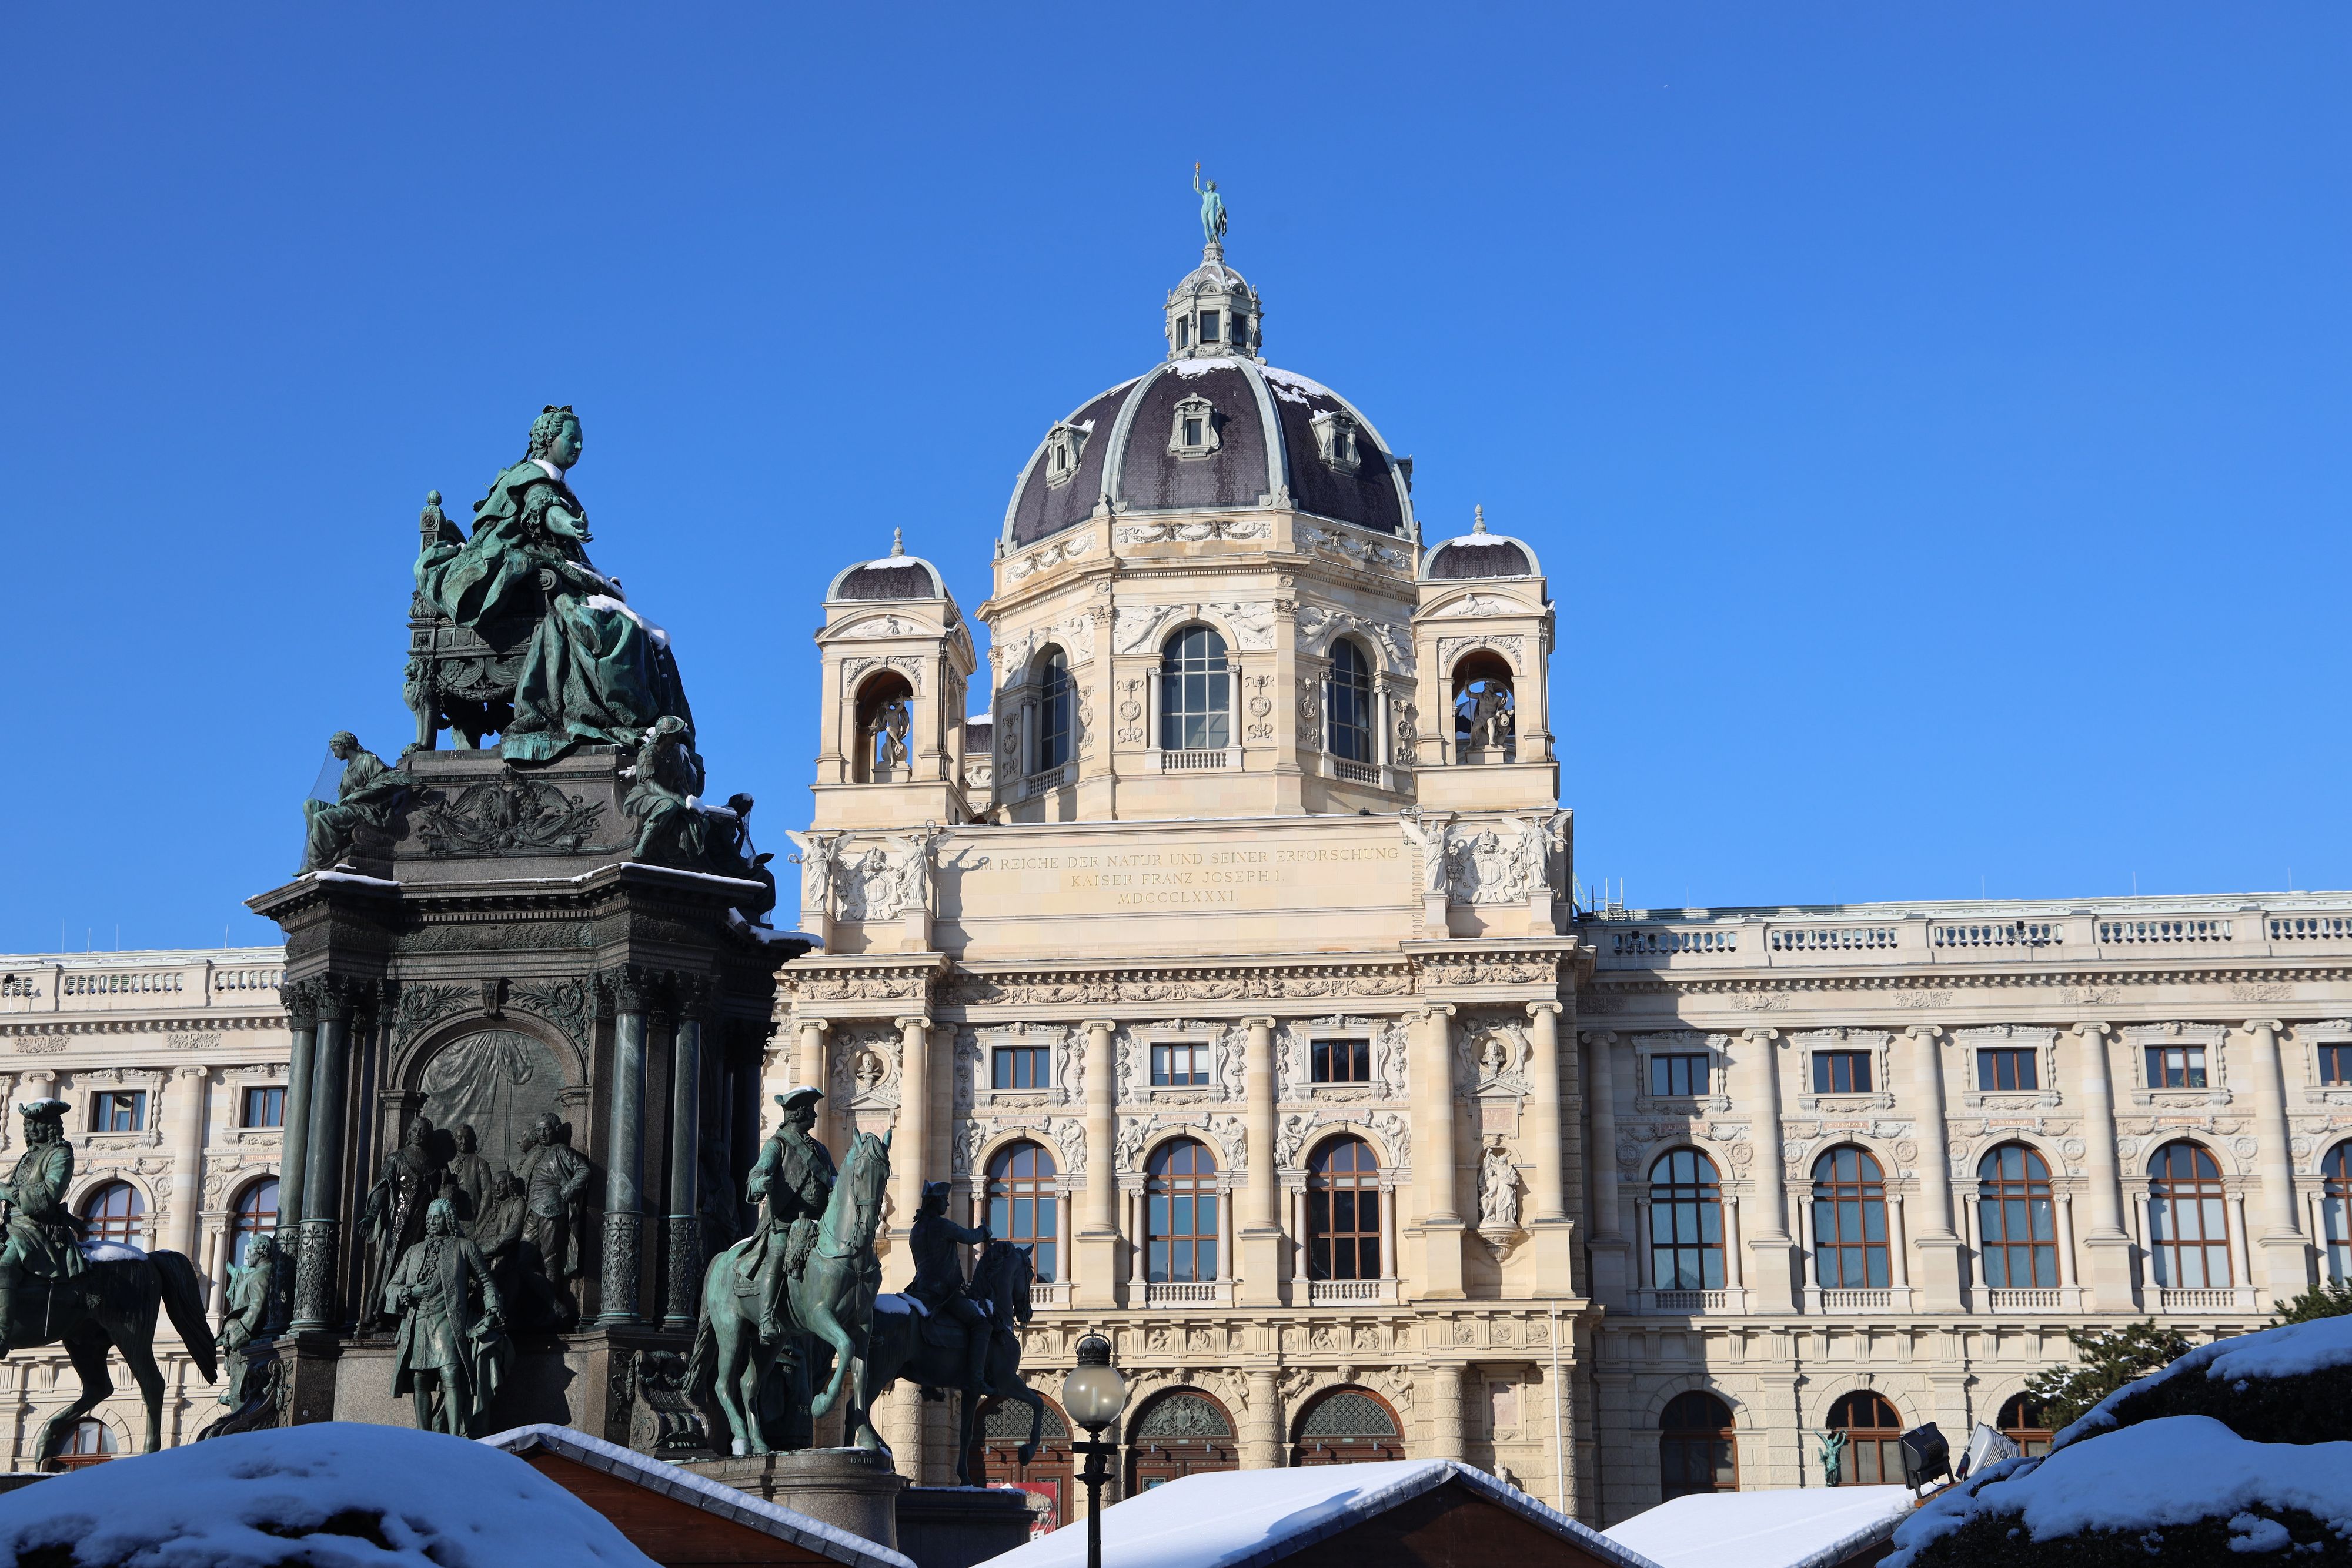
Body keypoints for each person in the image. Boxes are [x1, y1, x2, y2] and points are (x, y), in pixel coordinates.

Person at [415, 406, 697, 765]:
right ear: (548, 440)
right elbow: (542, 511)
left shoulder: (549, 481)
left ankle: (648, 724)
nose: (579, 445)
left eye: (582, 439)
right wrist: (569, 524)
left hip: (549, 579)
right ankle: (613, 715)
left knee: (643, 637)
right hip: (527, 590)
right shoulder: (535, 480)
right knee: (616, 630)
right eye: (572, 438)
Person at [385, 1198, 509, 1436]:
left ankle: (453, 1437)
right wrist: (407, 1292)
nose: (431, 1223)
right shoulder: (414, 1251)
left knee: (450, 1373)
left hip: (448, 1320)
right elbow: (392, 1287)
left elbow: (485, 1281)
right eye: (429, 1218)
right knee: (420, 1379)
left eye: (437, 1218)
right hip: (419, 1321)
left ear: (448, 1219)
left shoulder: (464, 1247)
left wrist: (493, 1310)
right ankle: (424, 1436)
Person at [744, 1088, 836, 1345]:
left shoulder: (820, 1150)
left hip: (819, 1224)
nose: (816, 1115)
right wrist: (760, 1184)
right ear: (799, 1114)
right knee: (779, 1252)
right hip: (785, 1222)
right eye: (811, 1111)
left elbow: (834, 1179)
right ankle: (766, 1319)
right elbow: (757, 1173)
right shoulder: (778, 1144)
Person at [0, 1100, 84, 1353]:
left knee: (4, 1266)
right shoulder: (28, 1157)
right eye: (29, 1124)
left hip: (36, 1228)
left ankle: (2, 1335)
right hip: (12, 1223)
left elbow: (48, 1194)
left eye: (39, 1123)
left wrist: (7, 1191)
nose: (32, 1128)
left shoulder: (61, 1154)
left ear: (51, 1127)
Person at [907, 1181, 994, 1397]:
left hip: (918, 1289)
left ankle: (928, 1384)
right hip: (942, 1292)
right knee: (981, 1323)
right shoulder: (942, 1225)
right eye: (944, 1200)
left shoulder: (916, 1229)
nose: (947, 1204)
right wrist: (984, 1231)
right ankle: (976, 1379)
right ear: (935, 1203)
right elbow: (969, 1237)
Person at [360, 1115, 445, 1329]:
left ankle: (411, 1313)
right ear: (409, 1133)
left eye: (423, 1130)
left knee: (419, 1267)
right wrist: (372, 1214)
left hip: (425, 1226)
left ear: (430, 1135)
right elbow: (382, 1188)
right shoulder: (397, 1159)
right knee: (393, 1266)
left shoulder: (437, 1164)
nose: (418, 1133)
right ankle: (383, 1313)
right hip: (399, 1224)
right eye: (415, 1129)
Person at [515, 1114, 590, 1326]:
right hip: (533, 1212)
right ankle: (555, 1305)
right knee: (523, 1263)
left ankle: (553, 1313)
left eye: (546, 1129)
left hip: (551, 1210)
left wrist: (569, 1188)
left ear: (557, 1129)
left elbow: (584, 1170)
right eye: (539, 1131)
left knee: (550, 1261)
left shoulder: (561, 1151)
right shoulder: (540, 1154)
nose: (541, 1134)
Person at [299, 732, 405, 874]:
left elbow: (384, 784)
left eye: (335, 750)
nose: (334, 755)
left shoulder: (368, 760)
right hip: (352, 808)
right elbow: (340, 802)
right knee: (310, 806)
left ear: (343, 746)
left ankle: (316, 863)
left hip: (369, 810)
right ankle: (324, 851)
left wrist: (356, 796)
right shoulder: (347, 772)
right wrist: (334, 811)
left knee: (320, 818)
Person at [445, 1124, 493, 1223]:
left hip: (472, 1222)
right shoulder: (447, 1164)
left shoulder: (481, 1164)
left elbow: (487, 1194)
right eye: (459, 1138)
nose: (463, 1142)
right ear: (453, 1139)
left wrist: (479, 1222)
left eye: (467, 1138)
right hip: (448, 1222)